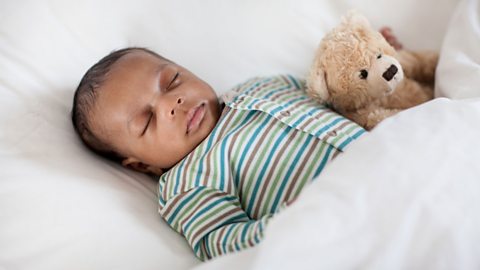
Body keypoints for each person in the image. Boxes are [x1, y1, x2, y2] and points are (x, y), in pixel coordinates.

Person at [71, 29, 402, 261]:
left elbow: (338, 100)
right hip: (350, 223)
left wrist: (374, 69)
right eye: (147, 120)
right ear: (143, 165)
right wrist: (298, 220)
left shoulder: (260, 86)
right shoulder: (187, 183)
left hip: (398, 159)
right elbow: (226, 242)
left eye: (172, 80)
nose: (174, 102)